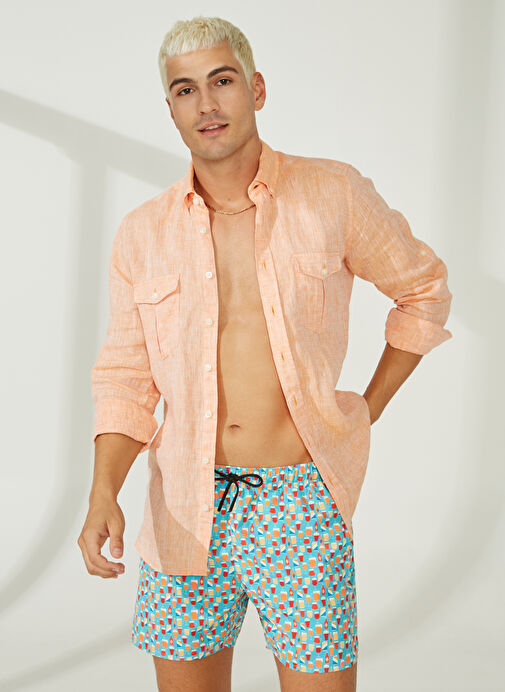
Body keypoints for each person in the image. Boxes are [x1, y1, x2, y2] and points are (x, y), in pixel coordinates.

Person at [78, 15, 453, 692]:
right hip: (183, 506)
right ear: (171, 109)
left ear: (255, 89)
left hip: (299, 503)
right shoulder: (142, 233)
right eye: (185, 90)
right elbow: (126, 377)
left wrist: (363, 411)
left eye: (221, 81)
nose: (206, 104)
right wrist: (103, 490)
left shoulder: (331, 193)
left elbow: (422, 289)